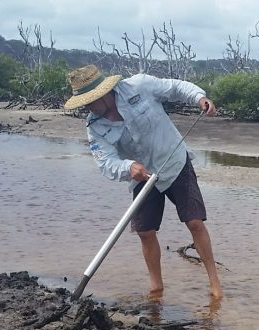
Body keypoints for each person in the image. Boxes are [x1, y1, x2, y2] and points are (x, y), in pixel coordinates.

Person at [64, 64, 222, 300]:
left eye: (91, 100)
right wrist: (128, 167)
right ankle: (156, 288)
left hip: (173, 160)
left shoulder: (139, 85)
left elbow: (175, 87)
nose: (88, 106)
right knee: (145, 231)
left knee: (195, 222)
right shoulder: (94, 127)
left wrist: (199, 97)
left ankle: (214, 283)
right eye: (84, 102)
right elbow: (106, 162)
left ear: (105, 93)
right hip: (142, 175)